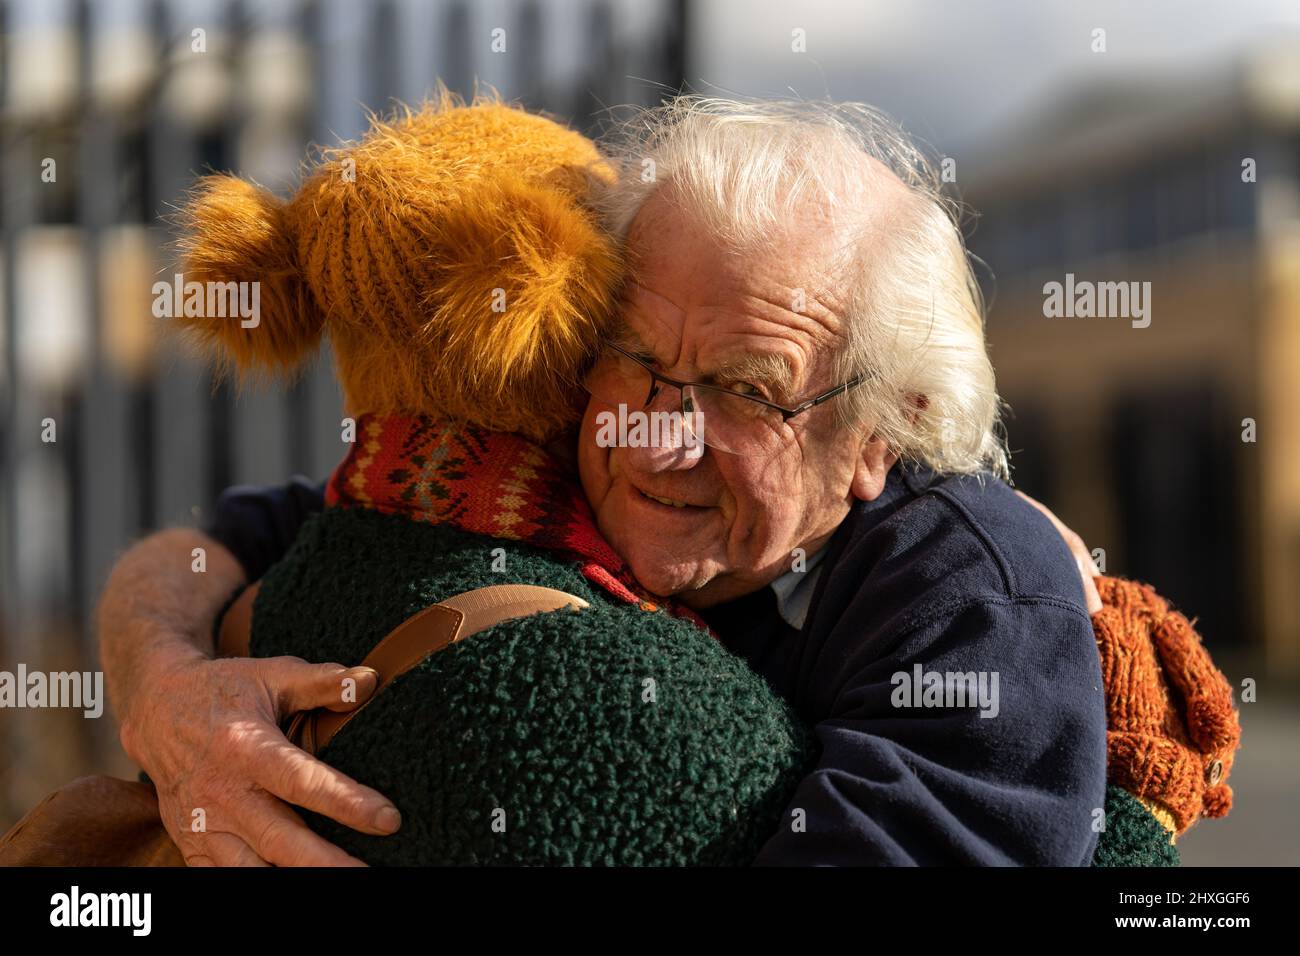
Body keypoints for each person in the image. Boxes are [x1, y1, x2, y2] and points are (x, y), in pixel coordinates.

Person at [100, 96, 1110, 865]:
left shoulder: (970, 601)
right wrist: (167, 690)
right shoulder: (551, 471)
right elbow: (211, 547)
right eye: (632, 356)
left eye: (746, 390)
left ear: (889, 431)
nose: (659, 436)